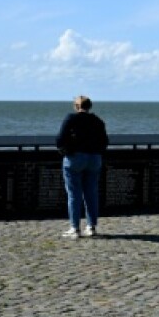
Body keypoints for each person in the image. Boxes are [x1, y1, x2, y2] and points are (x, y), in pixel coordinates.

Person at [55, 95, 109, 239]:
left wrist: (66, 152)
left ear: (76, 106)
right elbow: (105, 141)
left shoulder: (71, 118)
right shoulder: (97, 121)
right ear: (89, 106)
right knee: (91, 192)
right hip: (94, 158)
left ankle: (75, 228)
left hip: (75, 158)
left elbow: (60, 138)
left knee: (74, 194)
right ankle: (91, 227)